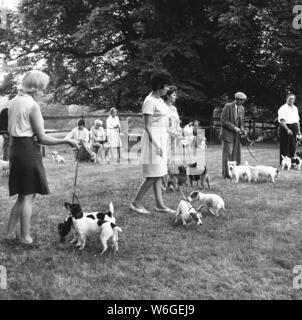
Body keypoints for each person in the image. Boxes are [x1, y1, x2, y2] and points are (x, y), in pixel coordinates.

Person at [5, 70, 78, 245]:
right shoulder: (32, 105)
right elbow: (43, 137)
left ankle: (9, 234)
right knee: (28, 196)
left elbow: (11, 130)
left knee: (22, 195)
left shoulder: (13, 101)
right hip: (28, 151)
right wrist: (67, 141)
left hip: (15, 148)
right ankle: (25, 237)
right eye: (42, 89)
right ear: (34, 88)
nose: (43, 93)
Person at [130, 71, 175, 214]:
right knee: (153, 174)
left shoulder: (160, 100)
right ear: (159, 86)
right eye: (166, 86)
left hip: (161, 137)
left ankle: (159, 205)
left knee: (160, 172)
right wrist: (156, 146)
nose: (168, 89)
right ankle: (136, 203)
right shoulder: (149, 101)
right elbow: (147, 126)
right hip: (152, 140)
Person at [220, 92, 247, 179]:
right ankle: (227, 175)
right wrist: (234, 128)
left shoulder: (242, 108)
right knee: (228, 155)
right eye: (241, 100)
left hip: (237, 136)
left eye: (243, 101)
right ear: (236, 99)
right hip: (227, 135)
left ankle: (235, 173)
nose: (242, 102)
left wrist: (243, 130)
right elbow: (223, 120)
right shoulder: (228, 106)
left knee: (236, 155)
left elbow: (241, 122)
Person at [278, 94, 302, 164]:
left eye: (293, 99)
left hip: (294, 127)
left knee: (293, 146)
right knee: (285, 146)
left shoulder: (295, 108)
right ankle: (284, 163)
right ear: (286, 99)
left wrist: (299, 131)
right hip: (286, 127)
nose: (291, 100)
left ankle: (292, 162)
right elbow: (282, 121)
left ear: (294, 100)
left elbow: (297, 121)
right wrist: (287, 129)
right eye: (290, 98)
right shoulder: (283, 108)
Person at [164, 86, 181, 162]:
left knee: (171, 157)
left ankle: (168, 172)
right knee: (165, 157)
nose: (176, 97)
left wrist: (179, 131)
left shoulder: (174, 108)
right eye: (173, 95)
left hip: (174, 135)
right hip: (165, 136)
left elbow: (177, 122)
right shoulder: (163, 107)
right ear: (168, 96)